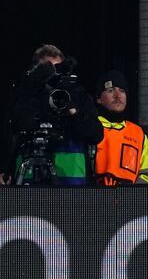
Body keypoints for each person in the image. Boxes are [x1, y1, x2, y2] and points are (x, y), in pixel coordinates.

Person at [10, 44, 103, 185]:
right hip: (30, 188)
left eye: (58, 71)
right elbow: (17, 124)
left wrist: (72, 110)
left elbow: (95, 134)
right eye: (48, 72)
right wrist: (33, 92)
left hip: (72, 189)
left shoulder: (76, 94)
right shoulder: (26, 95)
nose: (53, 78)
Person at [94, 70, 148, 185]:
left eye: (122, 91)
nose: (118, 96)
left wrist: (129, 198)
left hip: (127, 201)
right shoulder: (90, 127)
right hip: (93, 199)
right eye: (110, 90)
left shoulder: (138, 133)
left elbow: (147, 177)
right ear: (99, 98)